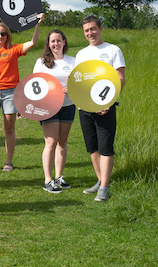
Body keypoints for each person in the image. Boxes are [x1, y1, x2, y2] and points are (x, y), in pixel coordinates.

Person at [0, 13, 44, 172]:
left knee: (9, 128)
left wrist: (37, 24)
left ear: (7, 35)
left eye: (3, 33)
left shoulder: (14, 49)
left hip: (10, 93)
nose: (0, 36)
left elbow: (33, 42)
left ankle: (9, 161)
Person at [76, 16, 125, 202]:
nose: (90, 33)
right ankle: (100, 180)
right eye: (87, 30)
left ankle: (104, 187)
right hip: (85, 107)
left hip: (105, 106)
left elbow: (120, 79)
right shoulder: (81, 54)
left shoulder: (113, 50)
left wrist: (108, 102)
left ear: (101, 28)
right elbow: (79, 81)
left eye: (93, 29)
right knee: (92, 147)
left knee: (105, 147)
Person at [32, 30, 76, 193]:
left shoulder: (73, 61)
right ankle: (47, 180)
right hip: (48, 106)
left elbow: (80, 81)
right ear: (48, 44)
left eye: (58, 40)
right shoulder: (41, 62)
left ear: (64, 42)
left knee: (62, 142)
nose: (56, 44)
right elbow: (34, 85)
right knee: (50, 142)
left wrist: (70, 88)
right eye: (52, 41)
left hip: (68, 105)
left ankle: (59, 177)